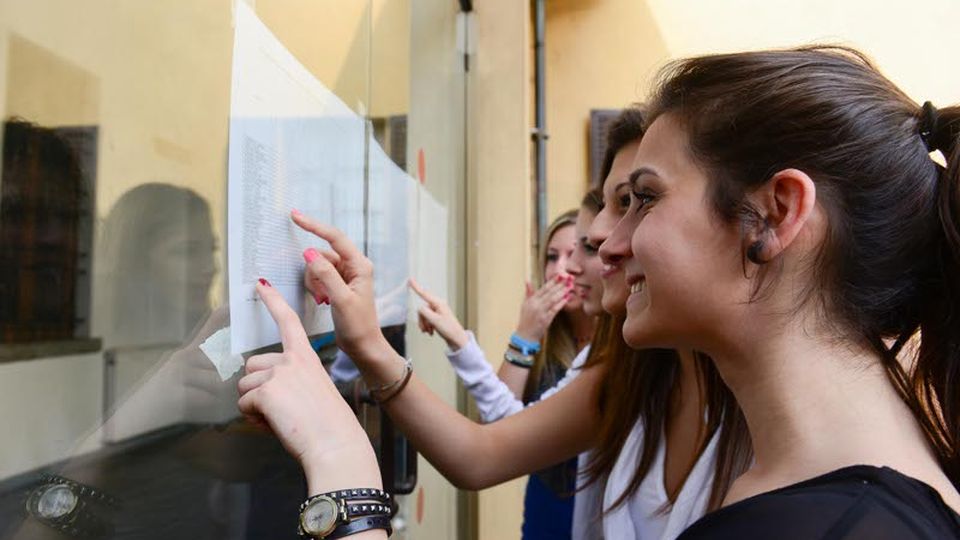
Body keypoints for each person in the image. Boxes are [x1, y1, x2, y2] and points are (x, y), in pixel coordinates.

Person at [236, 106, 749, 540]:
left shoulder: (770, 444)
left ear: (766, 222)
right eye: (615, 203)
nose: (599, 238)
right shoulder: (636, 373)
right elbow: (483, 451)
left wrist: (336, 447)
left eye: (642, 199)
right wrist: (369, 343)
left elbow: (495, 428)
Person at [601, 46, 960, 538]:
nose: (611, 244)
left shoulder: (803, 524)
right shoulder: (861, 501)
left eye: (645, 198)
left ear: (776, 215)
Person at [411, 198, 602, 539]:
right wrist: (525, 337)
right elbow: (496, 430)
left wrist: (465, 344)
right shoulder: (544, 342)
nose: (563, 269)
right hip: (543, 516)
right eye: (552, 257)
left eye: (579, 252)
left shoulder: (614, 351)